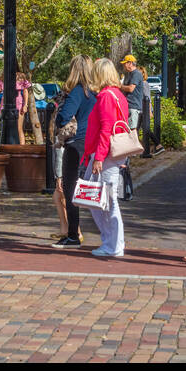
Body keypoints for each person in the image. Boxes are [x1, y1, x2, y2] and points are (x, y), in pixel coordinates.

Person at [83, 58, 129, 257]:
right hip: (111, 154)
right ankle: (111, 241)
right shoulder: (118, 95)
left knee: (104, 200)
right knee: (99, 198)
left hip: (105, 154)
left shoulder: (105, 97)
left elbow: (106, 129)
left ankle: (113, 244)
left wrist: (99, 157)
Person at [51, 55, 95, 249]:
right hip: (91, 141)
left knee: (70, 188)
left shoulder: (78, 91)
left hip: (76, 141)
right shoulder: (95, 92)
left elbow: (63, 117)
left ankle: (73, 234)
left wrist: (60, 118)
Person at [119, 55, 147, 135]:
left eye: (125, 63)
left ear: (130, 63)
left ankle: (135, 147)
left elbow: (131, 88)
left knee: (132, 131)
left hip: (133, 106)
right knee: (130, 130)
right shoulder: (130, 74)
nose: (123, 65)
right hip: (130, 106)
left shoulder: (136, 74)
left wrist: (119, 86)